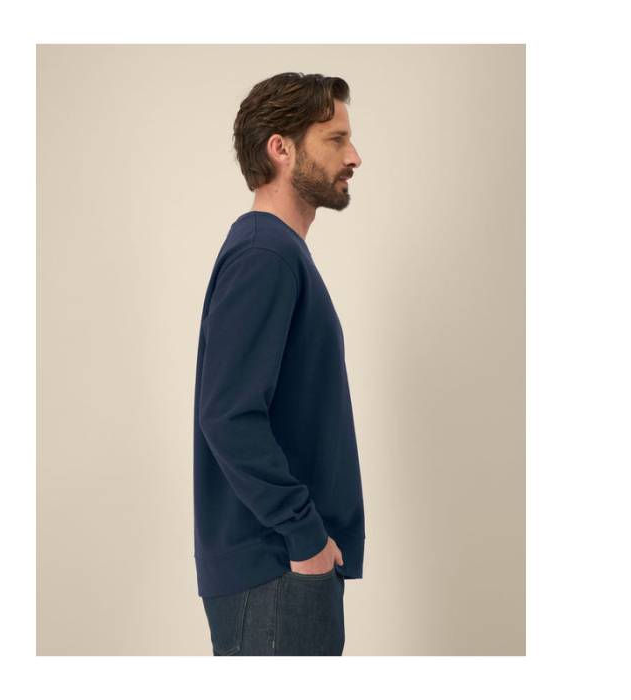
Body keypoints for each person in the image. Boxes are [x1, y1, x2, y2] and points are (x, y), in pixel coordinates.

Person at [193, 72, 365, 655]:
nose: (354, 157)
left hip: (283, 568)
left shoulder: (275, 251)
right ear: (280, 148)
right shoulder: (265, 254)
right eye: (335, 139)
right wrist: (305, 536)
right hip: (277, 571)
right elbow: (227, 415)